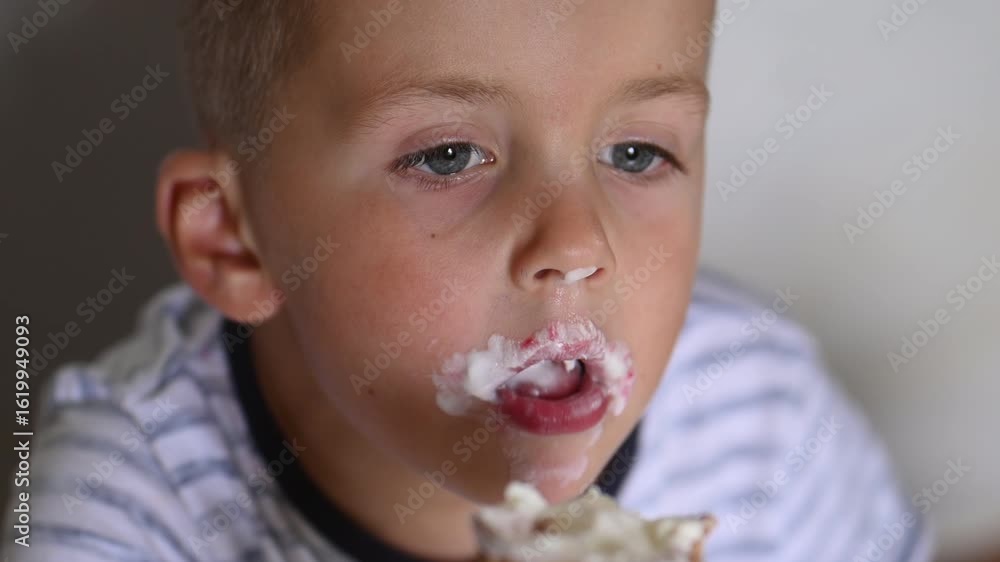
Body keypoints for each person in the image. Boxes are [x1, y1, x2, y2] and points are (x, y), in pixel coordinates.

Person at [4, 1, 932, 560]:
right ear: (236, 244)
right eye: (449, 156)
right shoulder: (124, 503)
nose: (576, 244)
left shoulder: (764, 414)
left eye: (637, 152)